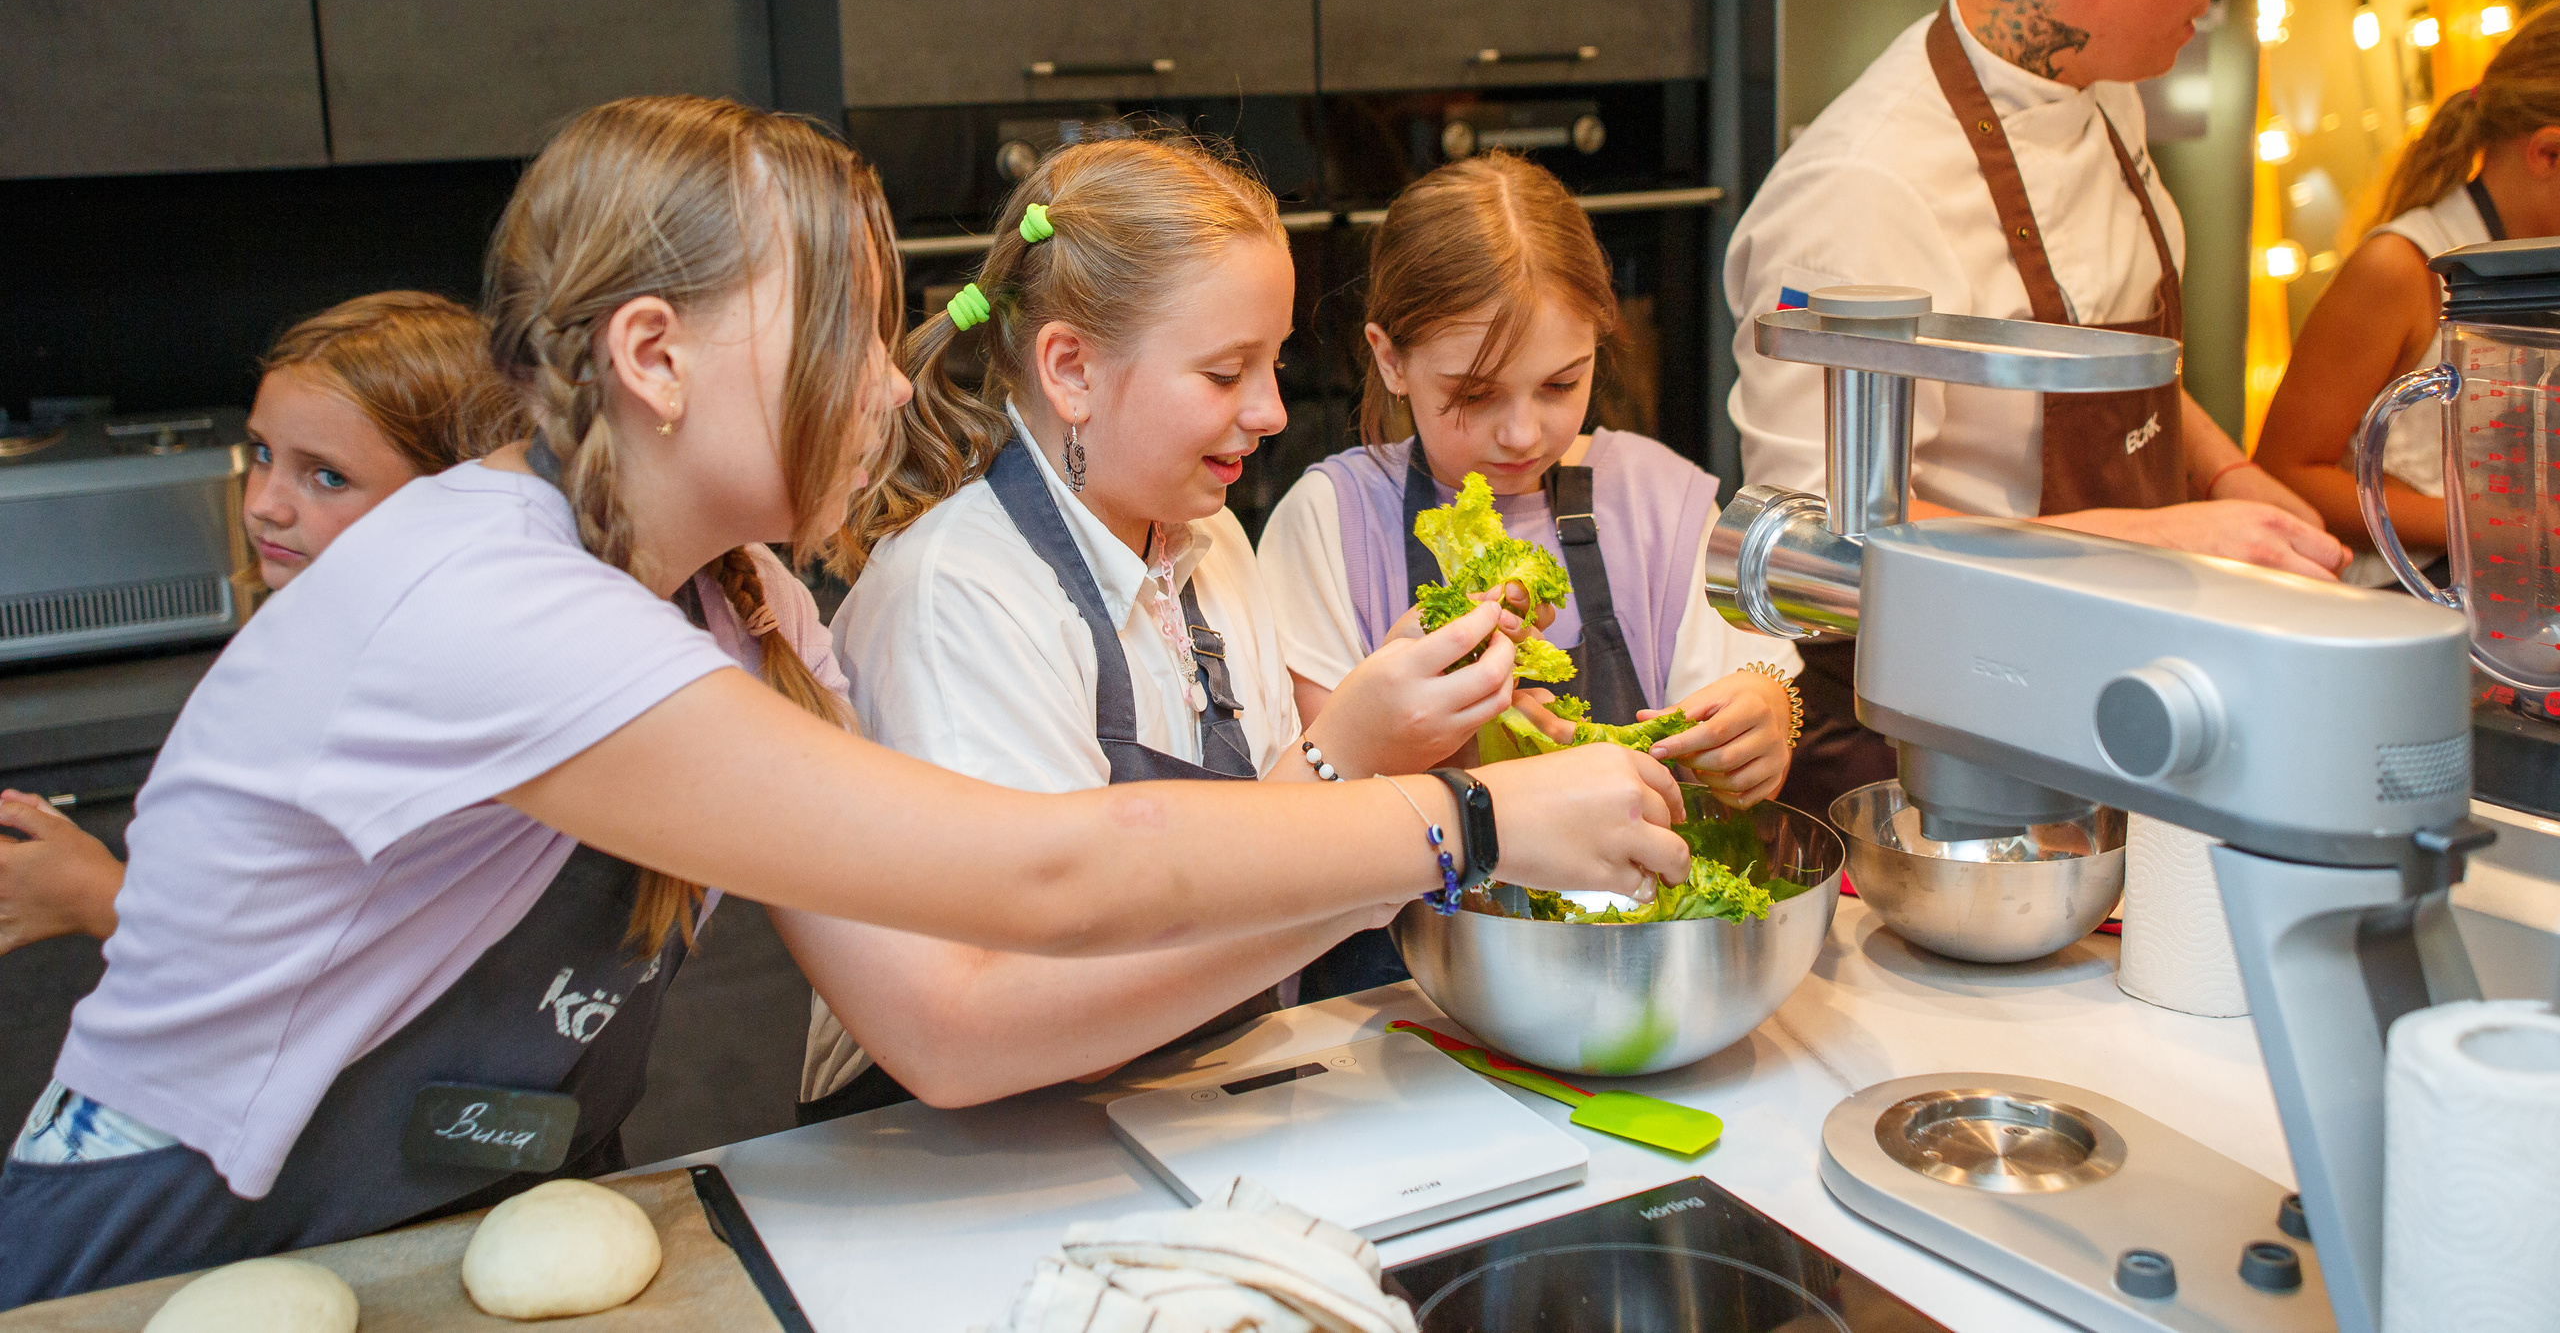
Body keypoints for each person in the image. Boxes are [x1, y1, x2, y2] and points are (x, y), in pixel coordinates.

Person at [0, 96, 1690, 1308]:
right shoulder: (489, 598)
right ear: (654, 358)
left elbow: (948, 1018)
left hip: (437, 1235)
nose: (893, 385)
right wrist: (1462, 816)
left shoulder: (742, 608)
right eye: (851, 332)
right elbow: (1050, 874)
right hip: (180, 1248)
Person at [799, 136, 1612, 1119]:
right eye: (1226, 374)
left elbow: (1257, 873)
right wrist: (1346, 754)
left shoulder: (1212, 540)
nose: (1271, 411)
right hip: (965, 1161)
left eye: (1271, 365)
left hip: (1179, 1108)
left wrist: (1395, 735)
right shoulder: (958, 598)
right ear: (1071, 371)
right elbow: (1047, 1004)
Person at [1722, 0, 2348, 813]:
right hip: (1939, 761)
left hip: (2117, 700)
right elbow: (1819, 555)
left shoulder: (2102, 96)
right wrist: (2152, 543)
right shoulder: (1861, 193)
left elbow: (2115, 372)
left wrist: (2230, 481)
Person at [1258, 152, 1803, 1000]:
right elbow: (1318, 814)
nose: (1521, 431)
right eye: (1473, 393)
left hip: (1631, 976)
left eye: (1561, 383)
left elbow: (1746, 682)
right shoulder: (1328, 522)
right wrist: (1475, 738)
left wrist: (1768, 713)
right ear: (1390, 359)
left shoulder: (1659, 496)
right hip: (1403, 998)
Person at [0, 291, 522, 959]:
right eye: (265, 452)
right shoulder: (335, 642)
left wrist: (95, 894)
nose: (266, 504)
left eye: (328, 477)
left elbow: (334, 954)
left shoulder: (390, 696)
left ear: (455, 495)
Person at [2256, 1, 2560, 584]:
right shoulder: (2399, 270)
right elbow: (2284, 472)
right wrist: (2499, 524)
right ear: (2547, 153)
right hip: (2406, 608)